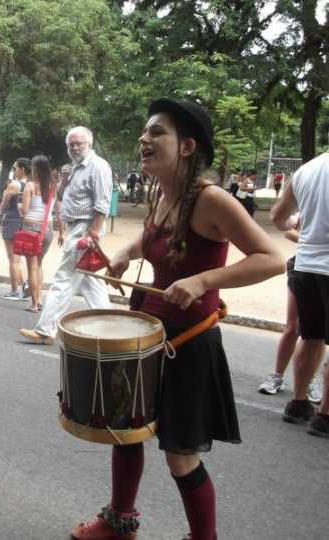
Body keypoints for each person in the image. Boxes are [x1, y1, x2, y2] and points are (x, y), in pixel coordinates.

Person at [68, 99, 283, 540]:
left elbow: (272, 259)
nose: (144, 139)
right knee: (124, 430)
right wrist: (123, 255)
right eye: (145, 132)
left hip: (187, 342)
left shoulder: (211, 200)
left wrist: (204, 281)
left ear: (186, 146)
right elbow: (147, 241)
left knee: (180, 457)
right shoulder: (162, 195)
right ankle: (119, 522)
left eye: (157, 133)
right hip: (146, 335)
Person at [19, 126, 112, 345]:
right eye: (70, 144)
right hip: (75, 227)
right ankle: (110, 328)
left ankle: (45, 330)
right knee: (90, 282)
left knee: (63, 280)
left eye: (78, 143)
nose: (74, 148)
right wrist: (65, 178)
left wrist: (93, 234)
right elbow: (61, 196)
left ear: (89, 144)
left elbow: (102, 204)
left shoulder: (98, 167)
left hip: (86, 228)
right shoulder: (73, 168)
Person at [271, 127, 329, 438]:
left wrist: (302, 233)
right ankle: (325, 415)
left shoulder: (307, 169)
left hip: (306, 265)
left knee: (312, 336)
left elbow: (279, 217)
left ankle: (298, 401)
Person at [258, 212, 324, 403]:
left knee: (315, 335)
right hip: (302, 267)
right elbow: (289, 230)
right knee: (291, 326)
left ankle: (308, 381)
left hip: (323, 271)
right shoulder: (314, 197)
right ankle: (277, 376)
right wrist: (314, 243)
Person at [19, 155, 55, 313]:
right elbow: (57, 209)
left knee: (31, 267)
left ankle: (34, 304)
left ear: (35, 169)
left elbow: (25, 210)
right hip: (47, 229)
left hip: (31, 228)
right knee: (39, 264)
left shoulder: (30, 186)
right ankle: (39, 299)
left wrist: (20, 205)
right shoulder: (53, 186)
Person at [0, 158, 30, 300]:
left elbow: (4, 204)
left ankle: (14, 290)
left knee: (13, 259)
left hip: (11, 221)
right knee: (19, 258)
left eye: (14, 168)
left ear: (22, 169)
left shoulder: (14, 185)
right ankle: (25, 284)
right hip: (24, 223)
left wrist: (1, 213)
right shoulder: (30, 185)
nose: (13, 171)